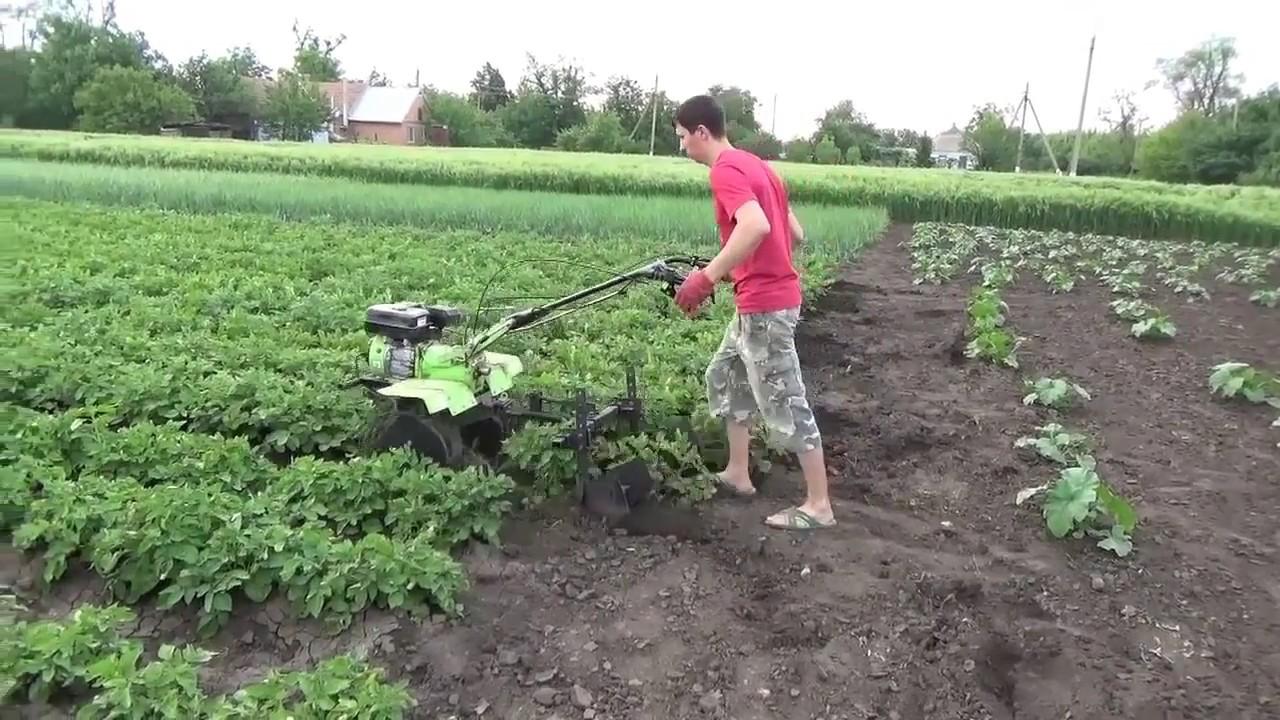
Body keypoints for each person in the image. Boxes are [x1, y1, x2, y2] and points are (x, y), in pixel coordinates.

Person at [671, 94, 835, 531]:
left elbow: (757, 226)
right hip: (761, 299)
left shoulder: (725, 170)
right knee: (724, 375)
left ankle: (819, 505)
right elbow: (792, 232)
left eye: (683, 137)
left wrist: (706, 277)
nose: (683, 147)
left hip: (766, 307)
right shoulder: (759, 165)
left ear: (702, 132)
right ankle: (738, 473)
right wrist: (740, 266)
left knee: (785, 398)